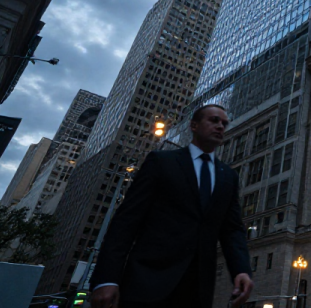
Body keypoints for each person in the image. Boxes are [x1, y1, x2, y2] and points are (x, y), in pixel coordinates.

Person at [90, 105, 254, 308]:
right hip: (147, 283)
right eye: (213, 120)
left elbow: (232, 230)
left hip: (197, 288)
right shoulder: (161, 162)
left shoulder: (228, 176)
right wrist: (107, 278)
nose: (220, 126)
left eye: (224, 123)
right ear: (193, 125)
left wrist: (241, 269)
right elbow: (126, 221)